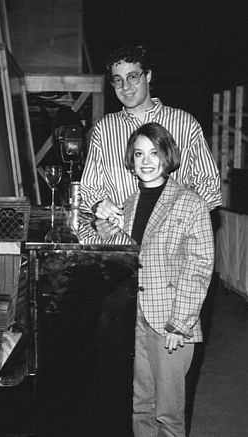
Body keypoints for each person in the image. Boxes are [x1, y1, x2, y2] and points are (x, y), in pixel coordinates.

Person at [121, 122, 214, 436]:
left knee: (167, 413)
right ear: (131, 162)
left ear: (167, 156)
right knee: (139, 404)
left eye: (154, 152)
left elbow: (200, 266)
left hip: (170, 320)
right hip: (134, 315)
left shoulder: (191, 203)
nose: (146, 161)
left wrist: (180, 323)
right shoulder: (131, 204)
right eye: (139, 154)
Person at [80, 44, 221, 225]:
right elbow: (90, 188)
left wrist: (181, 215)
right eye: (118, 80)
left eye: (132, 77)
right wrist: (98, 204)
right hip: (120, 240)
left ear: (148, 76)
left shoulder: (185, 124)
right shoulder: (104, 129)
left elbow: (209, 185)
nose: (125, 87)